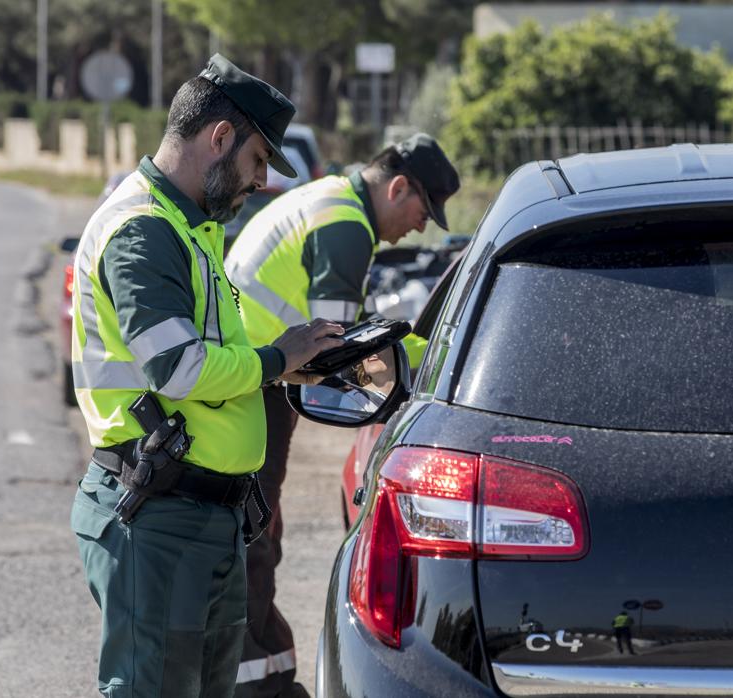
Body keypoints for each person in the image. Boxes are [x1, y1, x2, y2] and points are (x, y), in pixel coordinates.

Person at [68, 53, 346, 698]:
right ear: (219, 137)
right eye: (256, 161)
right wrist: (278, 359)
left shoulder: (192, 229)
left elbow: (224, 352)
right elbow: (178, 366)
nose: (259, 182)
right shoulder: (144, 231)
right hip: (158, 518)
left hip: (203, 518)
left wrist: (289, 366)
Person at [224, 133, 459, 697]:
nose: (421, 228)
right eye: (422, 211)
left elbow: (345, 333)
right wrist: (427, 375)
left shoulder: (329, 197)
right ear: (398, 186)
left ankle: (262, 674)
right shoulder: (347, 226)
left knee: (259, 531)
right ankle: (255, 686)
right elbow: (340, 353)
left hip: (246, 377)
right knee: (255, 538)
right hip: (255, 389)